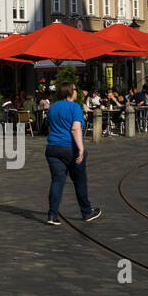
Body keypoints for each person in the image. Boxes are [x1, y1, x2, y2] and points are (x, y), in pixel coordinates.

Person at [44, 80, 101, 224]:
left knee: (57, 181)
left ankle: (52, 215)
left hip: (53, 148)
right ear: (70, 91)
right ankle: (86, 212)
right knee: (80, 181)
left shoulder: (53, 107)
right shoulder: (75, 107)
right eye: (75, 89)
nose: (77, 92)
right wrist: (81, 148)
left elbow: (49, 128)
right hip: (70, 148)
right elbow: (75, 129)